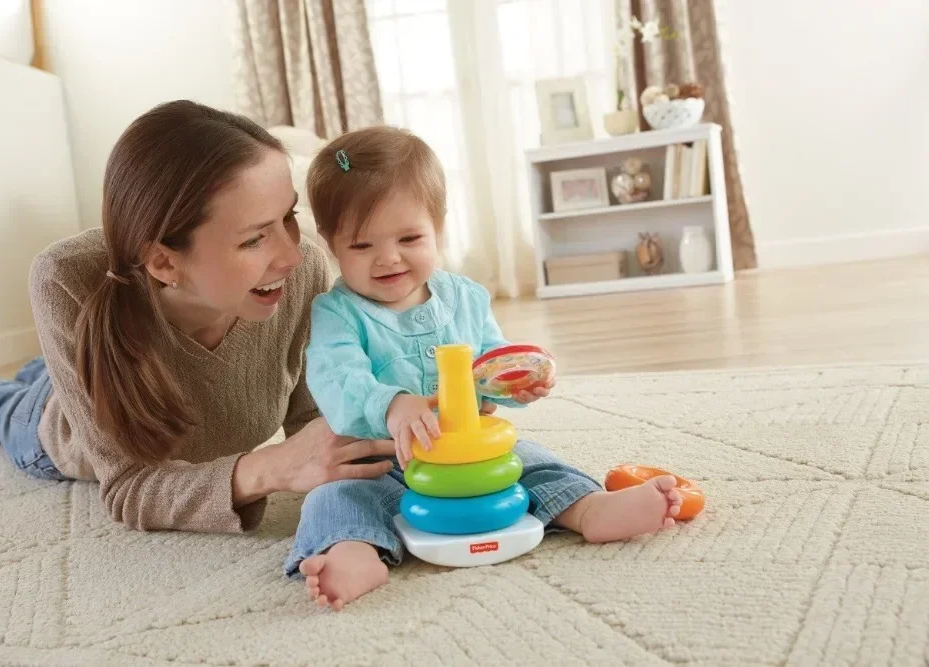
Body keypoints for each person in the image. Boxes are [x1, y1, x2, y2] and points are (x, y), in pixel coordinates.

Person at [0, 100, 397, 533]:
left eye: (289, 217)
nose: (292, 256)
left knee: (42, 370)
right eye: (255, 239)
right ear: (165, 262)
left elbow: (319, 419)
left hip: (98, 359)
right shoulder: (64, 278)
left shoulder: (304, 272)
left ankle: (43, 368)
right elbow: (130, 486)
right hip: (56, 429)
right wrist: (270, 467)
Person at [288, 126, 683, 610]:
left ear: (440, 226)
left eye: (409, 237)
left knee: (534, 462)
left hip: (473, 456)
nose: (388, 258)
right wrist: (392, 406)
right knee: (332, 500)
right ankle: (353, 553)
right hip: (384, 461)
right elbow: (337, 380)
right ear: (331, 242)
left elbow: (494, 366)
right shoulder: (337, 314)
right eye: (362, 246)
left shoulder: (466, 298)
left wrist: (520, 383)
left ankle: (590, 509)